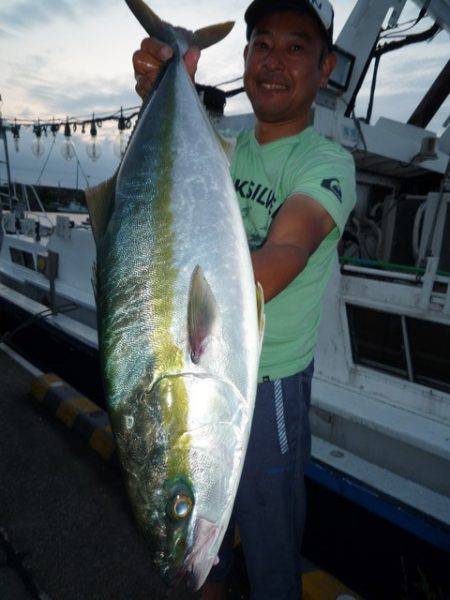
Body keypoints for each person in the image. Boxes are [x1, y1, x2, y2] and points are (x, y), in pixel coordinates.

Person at [133, 0, 356, 598]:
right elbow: (165, 183)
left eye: (296, 47)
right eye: (261, 44)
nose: (274, 61)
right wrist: (160, 87)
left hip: (271, 385)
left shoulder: (326, 161)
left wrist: (178, 310)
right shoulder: (222, 150)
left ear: (325, 66)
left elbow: (287, 253)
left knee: (269, 548)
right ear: (245, 56)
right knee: (205, 554)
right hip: (201, 361)